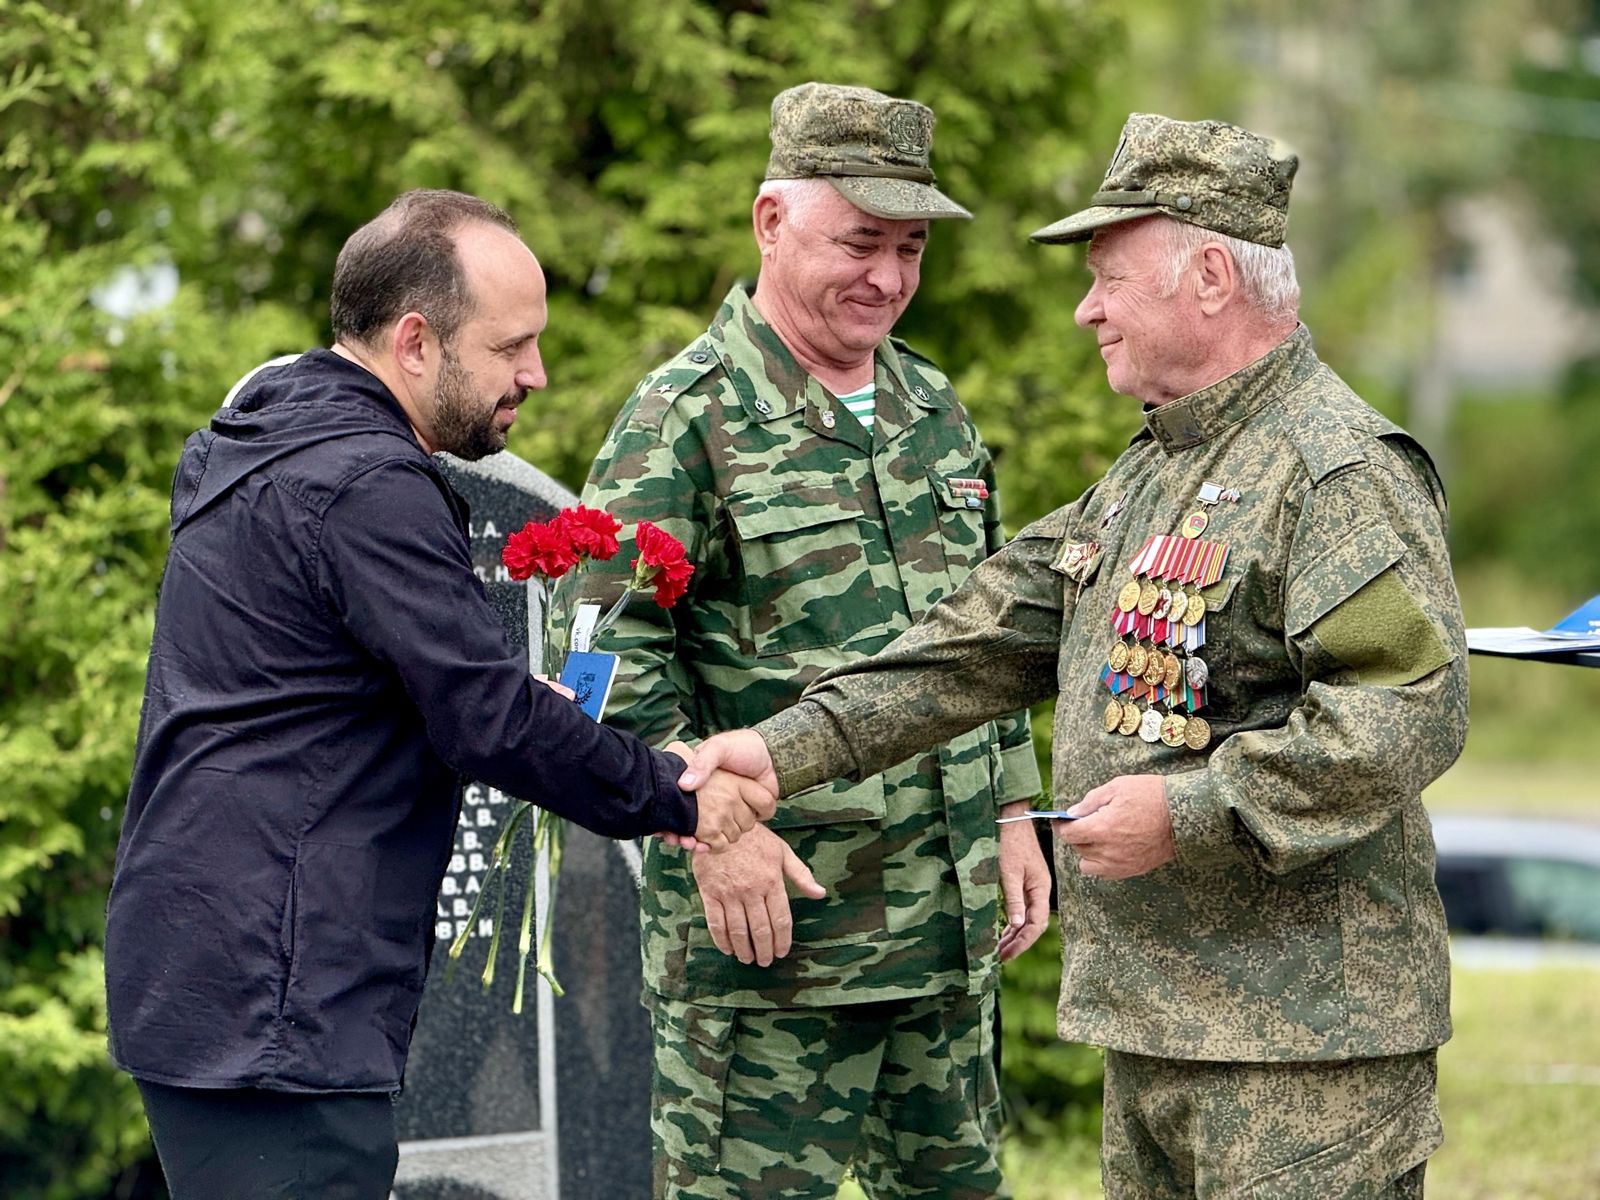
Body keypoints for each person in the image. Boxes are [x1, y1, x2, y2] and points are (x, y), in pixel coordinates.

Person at [685, 113, 1469, 1198]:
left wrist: (1187, 811)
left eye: (1110, 278)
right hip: (1160, 1025)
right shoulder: (1160, 466)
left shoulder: (1336, 469)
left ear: (1208, 275)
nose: (1084, 307)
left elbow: (1403, 709)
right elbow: (977, 638)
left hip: (1304, 1049)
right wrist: (778, 752)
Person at [104, 189, 773, 1200]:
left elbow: (312, 688)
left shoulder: (262, 444)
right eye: (512, 347)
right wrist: (680, 794)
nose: (535, 374)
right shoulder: (365, 480)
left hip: (216, 970)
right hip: (274, 992)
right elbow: (488, 720)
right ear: (416, 342)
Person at [566, 83, 1049, 1200]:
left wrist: (1016, 808)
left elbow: (989, 631)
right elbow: (597, 658)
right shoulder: (683, 419)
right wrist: (705, 826)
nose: (887, 278)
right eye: (861, 242)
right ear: (771, 222)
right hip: (772, 949)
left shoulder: (935, 408)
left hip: (941, 934)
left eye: (912, 248)